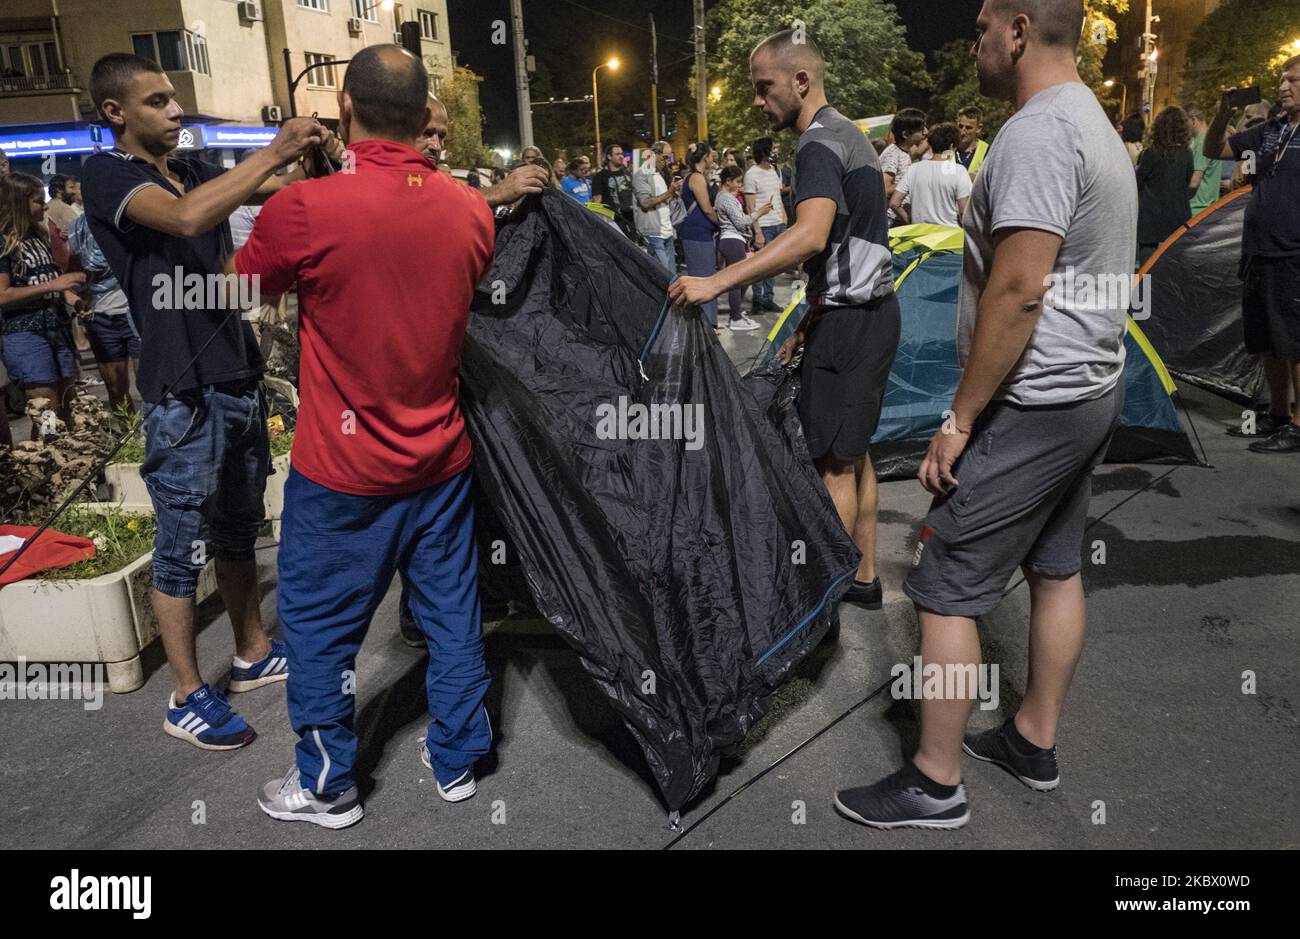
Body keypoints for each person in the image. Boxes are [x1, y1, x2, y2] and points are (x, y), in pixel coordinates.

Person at [834, 0, 1137, 831]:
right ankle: (1031, 739)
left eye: (978, 29)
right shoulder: (1093, 122)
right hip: (1089, 390)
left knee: (944, 587)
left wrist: (960, 417)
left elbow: (1019, 287)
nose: (972, 45)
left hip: (1032, 402)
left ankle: (935, 781)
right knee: (1055, 566)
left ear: (1016, 30)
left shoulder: (1039, 132)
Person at [231, 45, 496, 828]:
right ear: (426, 119)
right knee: (451, 617)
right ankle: (457, 761)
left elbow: (242, 282)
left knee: (319, 632)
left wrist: (289, 172)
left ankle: (326, 786)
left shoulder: (304, 210)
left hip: (341, 472)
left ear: (343, 110)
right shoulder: (469, 210)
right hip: (441, 461)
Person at [81, 52, 330, 751]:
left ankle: (252, 651)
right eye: (157, 101)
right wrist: (275, 145)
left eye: (174, 99)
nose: (175, 110)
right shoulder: (107, 177)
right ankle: (187, 693)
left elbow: (261, 198)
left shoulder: (191, 170)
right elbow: (189, 220)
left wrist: (313, 159)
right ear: (115, 113)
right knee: (179, 547)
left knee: (238, 528)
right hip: (180, 392)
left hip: (235, 372)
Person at [669, 29, 900, 612]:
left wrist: (716, 282)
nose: (756, 100)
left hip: (851, 323)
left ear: (801, 81)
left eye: (763, 86)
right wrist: (808, 319)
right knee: (853, 454)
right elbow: (846, 245)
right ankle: (864, 579)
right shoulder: (851, 135)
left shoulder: (818, 144)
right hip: (868, 316)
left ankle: (818, 612)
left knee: (830, 468)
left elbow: (811, 235)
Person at [1205, 56, 1300, 452]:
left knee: (1295, 341)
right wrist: (1221, 113)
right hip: (1258, 252)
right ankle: (1277, 415)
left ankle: (1297, 426)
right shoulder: (1270, 132)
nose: (1283, 87)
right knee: (1267, 341)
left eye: (1293, 80)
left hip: (1292, 253)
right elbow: (1216, 150)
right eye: (1281, 80)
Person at [0, 172, 86, 435]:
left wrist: (72, 297)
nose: (46, 206)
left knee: (69, 403)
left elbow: (47, 280)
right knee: (47, 411)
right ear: (19, 203)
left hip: (57, 327)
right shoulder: (4, 243)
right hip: (26, 334)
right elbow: (3, 295)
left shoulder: (38, 236)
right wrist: (53, 286)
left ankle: (69, 464)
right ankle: (48, 467)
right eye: (39, 201)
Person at [67, 212, 140, 415]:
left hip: (134, 311)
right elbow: (73, 273)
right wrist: (80, 300)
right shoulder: (79, 229)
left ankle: (155, 437)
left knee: (148, 384)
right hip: (100, 317)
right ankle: (129, 440)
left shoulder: (130, 220)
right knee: (116, 388)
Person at [1136, 106, 1194, 267]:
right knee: (1174, 265)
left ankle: (1145, 290)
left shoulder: (1151, 153)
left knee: (1147, 264)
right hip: (1177, 213)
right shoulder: (1187, 154)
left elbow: (1138, 181)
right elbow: (1188, 181)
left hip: (1150, 215)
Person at [715, 164, 771, 330]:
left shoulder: (725, 197)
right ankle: (736, 317)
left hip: (734, 240)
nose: (740, 185)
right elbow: (740, 222)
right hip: (732, 240)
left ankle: (736, 314)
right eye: (738, 182)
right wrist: (759, 212)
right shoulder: (725, 197)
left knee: (742, 278)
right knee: (737, 280)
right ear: (728, 181)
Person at [890, 123, 972, 227]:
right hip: (949, 238)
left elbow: (894, 203)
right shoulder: (959, 171)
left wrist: (910, 222)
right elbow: (964, 211)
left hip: (920, 236)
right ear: (951, 146)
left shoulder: (914, 168)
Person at [677, 142, 722, 328]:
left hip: (698, 233)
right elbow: (707, 209)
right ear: (704, 157)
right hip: (698, 234)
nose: (713, 159)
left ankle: (705, 322)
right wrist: (721, 222)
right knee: (704, 279)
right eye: (711, 155)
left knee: (704, 276)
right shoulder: (696, 178)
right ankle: (706, 324)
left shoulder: (693, 177)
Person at [744, 137, 789, 313]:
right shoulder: (751, 174)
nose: (775, 151)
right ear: (764, 151)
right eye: (772, 148)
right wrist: (758, 231)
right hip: (764, 226)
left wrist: (784, 216)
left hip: (778, 223)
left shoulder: (773, 171)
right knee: (760, 266)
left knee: (773, 266)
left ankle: (769, 299)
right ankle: (758, 300)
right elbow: (750, 206)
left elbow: (777, 196)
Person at [633, 141, 682, 273]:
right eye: (665, 157)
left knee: (671, 276)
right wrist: (669, 192)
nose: (667, 162)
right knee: (663, 275)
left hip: (667, 232)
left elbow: (664, 200)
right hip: (653, 234)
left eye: (669, 158)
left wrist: (675, 193)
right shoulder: (641, 175)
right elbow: (646, 202)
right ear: (653, 154)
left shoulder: (661, 174)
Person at [879, 108, 928, 224]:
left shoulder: (905, 152)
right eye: (921, 130)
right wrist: (911, 182)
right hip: (892, 221)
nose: (926, 132)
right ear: (906, 134)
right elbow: (885, 189)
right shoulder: (893, 154)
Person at [1186, 105, 1222, 217]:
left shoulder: (1201, 143)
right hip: (1206, 208)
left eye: (1184, 122)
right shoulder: (1207, 141)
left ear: (1193, 120)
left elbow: (1194, 182)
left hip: (1197, 209)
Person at [591, 144, 635, 235]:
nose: (621, 156)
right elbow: (597, 202)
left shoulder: (627, 173)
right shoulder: (600, 176)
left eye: (622, 154)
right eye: (617, 154)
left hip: (632, 220)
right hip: (614, 222)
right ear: (609, 156)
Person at [955, 106, 989, 177]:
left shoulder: (987, 151)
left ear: (978, 129)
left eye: (968, 128)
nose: (962, 132)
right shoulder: (947, 147)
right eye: (960, 126)